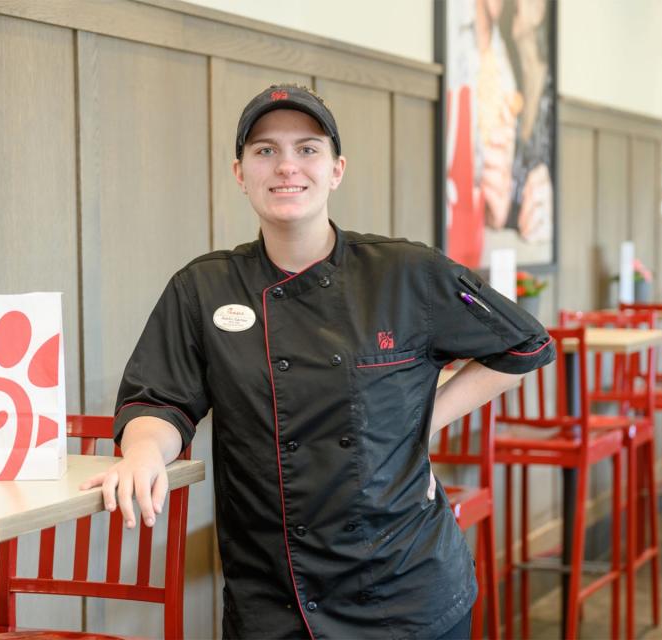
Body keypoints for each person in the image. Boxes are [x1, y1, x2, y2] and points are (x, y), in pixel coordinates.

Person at [81, 84, 555, 639]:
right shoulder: (202, 288)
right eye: (265, 151)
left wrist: (421, 427)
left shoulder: (405, 273)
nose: (287, 166)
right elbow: (159, 399)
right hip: (274, 601)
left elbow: (524, 344)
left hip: (406, 595)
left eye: (307, 149)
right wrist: (141, 452)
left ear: (336, 170)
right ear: (240, 172)